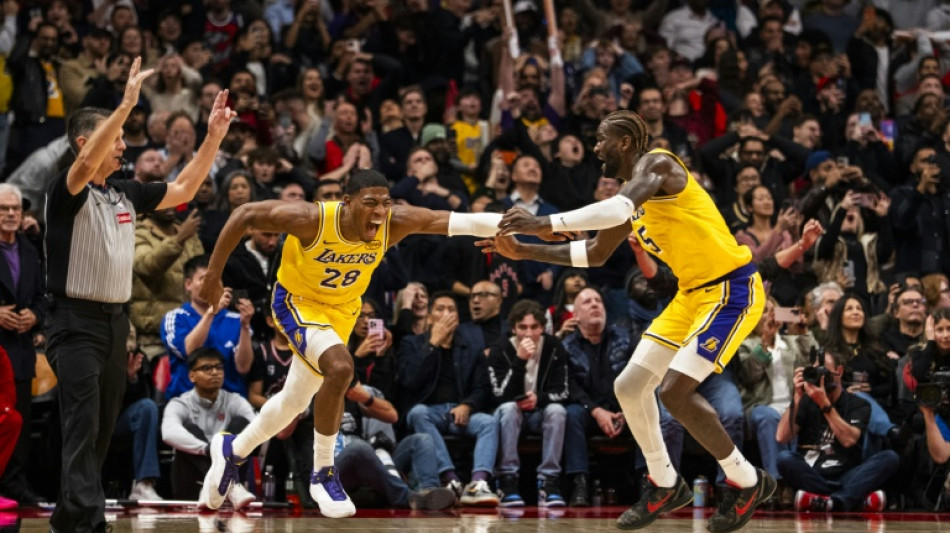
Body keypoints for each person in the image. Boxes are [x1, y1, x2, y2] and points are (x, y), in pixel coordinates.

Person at [484, 109, 772, 532]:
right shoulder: (631, 202)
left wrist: (544, 222)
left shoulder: (659, 164)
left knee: (674, 390)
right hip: (691, 296)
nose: (596, 147)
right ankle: (663, 482)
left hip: (732, 290)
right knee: (630, 385)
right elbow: (595, 254)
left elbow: (615, 206)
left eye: (601, 139)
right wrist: (524, 249)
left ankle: (746, 480)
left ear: (624, 141)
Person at [197, 169, 515, 517]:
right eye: (370, 203)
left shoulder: (393, 224)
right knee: (341, 367)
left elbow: (459, 221)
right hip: (296, 303)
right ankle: (323, 472)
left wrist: (542, 226)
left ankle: (233, 450)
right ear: (346, 203)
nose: (380, 211)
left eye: (385, 203)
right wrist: (213, 275)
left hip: (341, 311)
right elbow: (244, 215)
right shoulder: (312, 220)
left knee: (293, 401)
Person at [44, 57, 235, 533]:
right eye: (118, 138)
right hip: (74, 322)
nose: (124, 146)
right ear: (88, 143)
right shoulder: (67, 188)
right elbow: (85, 164)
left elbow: (187, 185)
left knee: (103, 426)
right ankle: (89, 522)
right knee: (83, 423)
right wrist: (127, 102)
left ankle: (70, 520)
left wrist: (213, 135)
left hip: (114, 322)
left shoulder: (125, 192)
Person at [397, 291, 499, 507]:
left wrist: (467, 404)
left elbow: (483, 387)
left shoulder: (471, 348)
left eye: (451, 309)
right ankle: (450, 479)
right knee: (418, 413)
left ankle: (477, 484)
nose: (446, 314)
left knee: (489, 422)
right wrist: (432, 343)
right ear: (430, 316)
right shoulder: (411, 344)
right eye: (440, 309)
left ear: (458, 317)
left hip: (460, 413)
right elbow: (409, 381)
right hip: (429, 412)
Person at [776, 350, 899, 512]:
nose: (821, 377)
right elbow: (782, 436)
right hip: (813, 474)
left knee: (890, 458)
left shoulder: (858, 404)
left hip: (847, 474)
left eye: (824, 371)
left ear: (839, 372)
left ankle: (826, 501)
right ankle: (850, 499)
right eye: (816, 371)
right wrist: (796, 398)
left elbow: (849, 440)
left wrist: (824, 404)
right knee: (784, 458)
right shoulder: (805, 401)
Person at [488, 300, 570, 507]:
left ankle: (548, 481)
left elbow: (563, 390)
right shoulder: (500, 348)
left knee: (557, 411)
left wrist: (539, 398)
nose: (528, 333)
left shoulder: (553, 346)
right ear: (514, 328)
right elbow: (499, 395)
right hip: (511, 412)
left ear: (542, 328)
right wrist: (520, 360)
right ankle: (506, 480)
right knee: (508, 409)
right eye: (522, 327)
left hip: (540, 411)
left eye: (534, 327)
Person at [161, 347, 256, 506]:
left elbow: (256, 428)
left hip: (230, 468)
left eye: (218, 367)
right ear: (192, 375)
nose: (214, 372)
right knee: (190, 429)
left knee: (242, 423)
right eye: (206, 368)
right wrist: (208, 449)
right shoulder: (180, 403)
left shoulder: (234, 400)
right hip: (190, 482)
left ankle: (223, 484)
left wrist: (222, 451)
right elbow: (168, 433)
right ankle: (230, 485)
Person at [0, 184, 44, 506]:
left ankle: (15, 484)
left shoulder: (31, 249)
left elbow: (45, 296)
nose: (12, 214)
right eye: (4, 209)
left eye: (16, 208)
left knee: (21, 421)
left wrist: (35, 315)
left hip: (21, 347)